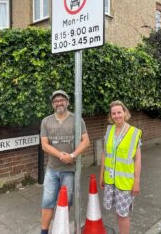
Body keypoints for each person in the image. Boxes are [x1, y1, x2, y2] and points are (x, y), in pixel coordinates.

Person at [40, 90, 90, 234]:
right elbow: (44, 145)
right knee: (47, 202)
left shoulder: (77, 119)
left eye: (62, 100)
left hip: (69, 170)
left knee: (65, 203)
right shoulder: (46, 121)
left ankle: (61, 229)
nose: (59, 103)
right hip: (52, 169)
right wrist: (62, 156)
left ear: (68, 102)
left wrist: (72, 156)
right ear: (52, 104)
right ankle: (44, 232)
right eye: (56, 101)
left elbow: (85, 141)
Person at [99, 100, 142, 234]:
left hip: (125, 182)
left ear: (125, 112)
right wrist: (101, 175)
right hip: (111, 180)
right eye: (113, 113)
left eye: (119, 112)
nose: (117, 116)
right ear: (111, 116)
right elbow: (105, 154)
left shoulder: (134, 133)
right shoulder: (109, 130)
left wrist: (137, 181)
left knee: (123, 215)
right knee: (117, 212)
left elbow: (138, 159)